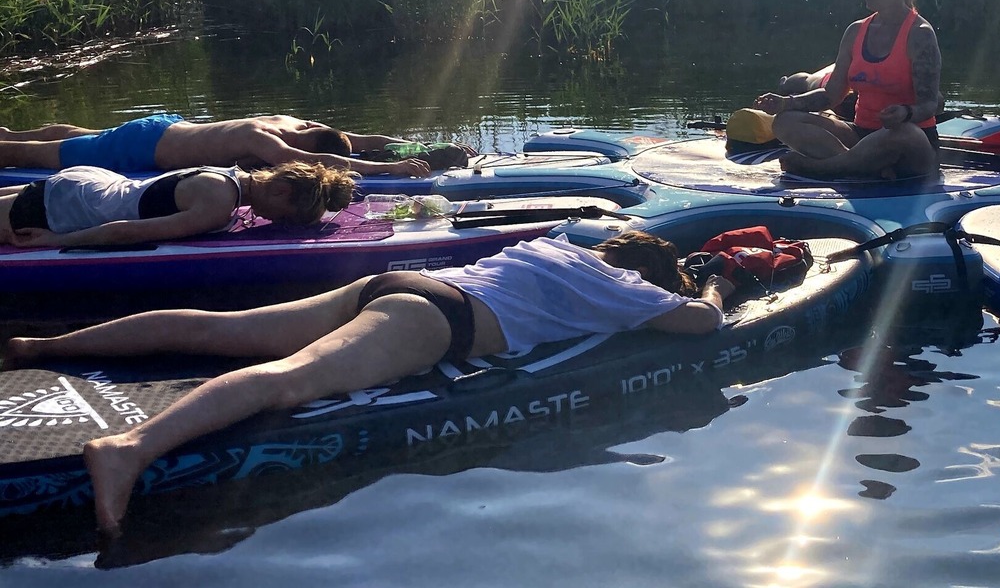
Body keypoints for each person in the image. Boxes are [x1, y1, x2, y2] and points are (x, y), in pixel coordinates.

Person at [3, 230, 739, 534]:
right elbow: (701, 324)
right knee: (287, 381)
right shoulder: (623, 288)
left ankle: (41, 345)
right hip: (435, 320)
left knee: (217, 329)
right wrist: (719, 287)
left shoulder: (554, 245)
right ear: (645, 271)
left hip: (393, 284)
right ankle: (129, 449)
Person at [754, 0, 943, 180]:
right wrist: (785, 102)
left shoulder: (920, 34)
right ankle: (864, 167)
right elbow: (830, 95)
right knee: (784, 122)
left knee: (904, 133)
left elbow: (930, 103)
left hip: (910, 140)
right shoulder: (855, 31)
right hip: (861, 135)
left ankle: (823, 168)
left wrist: (906, 112)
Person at [0, 162, 356, 248]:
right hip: (75, 207)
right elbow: (128, 232)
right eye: (286, 218)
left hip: (93, 184)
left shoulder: (228, 173)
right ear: (280, 191)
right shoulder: (218, 204)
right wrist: (57, 241)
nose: (279, 223)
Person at [0, 113, 459, 178]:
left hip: (163, 125)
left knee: (78, 134)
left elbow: (359, 140)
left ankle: (11, 132)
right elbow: (316, 158)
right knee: (37, 157)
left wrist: (418, 145)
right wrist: (391, 169)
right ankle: (11, 145)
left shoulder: (291, 121)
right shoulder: (262, 140)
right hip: (144, 150)